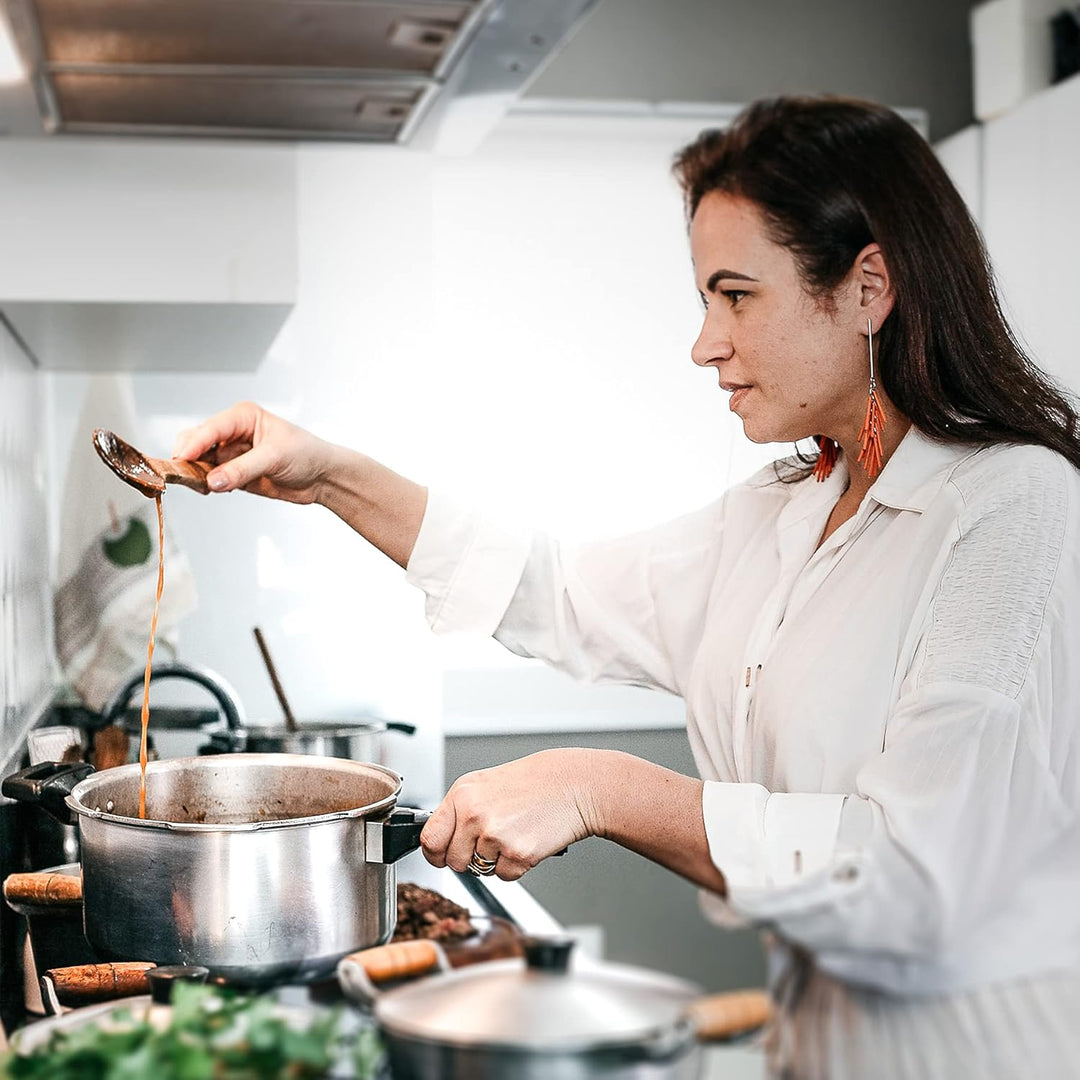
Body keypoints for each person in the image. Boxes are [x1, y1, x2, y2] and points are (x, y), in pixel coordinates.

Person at [173, 97, 1080, 1079]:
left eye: (736, 296)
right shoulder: (781, 511)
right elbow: (553, 590)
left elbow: (914, 879)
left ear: (869, 286)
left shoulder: (1014, 508)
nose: (704, 344)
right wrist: (328, 474)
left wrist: (601, 787)